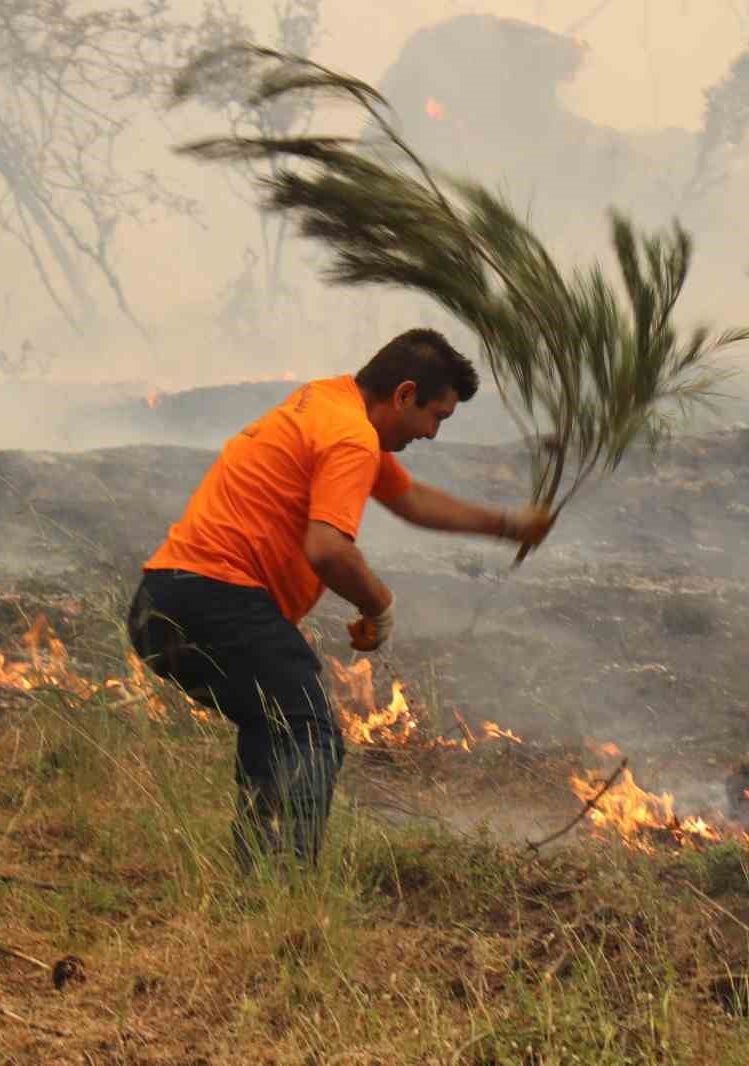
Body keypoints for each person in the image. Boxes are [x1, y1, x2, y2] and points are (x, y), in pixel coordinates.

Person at [126, 329, 552, 868]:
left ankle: (260, 874)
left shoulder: (326, 401)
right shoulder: (351, 436)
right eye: (435, 416)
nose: (432, 433)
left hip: (160, 602)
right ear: (403, 394)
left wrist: (507, 525)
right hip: (216, 598)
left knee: (277, 719)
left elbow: (411, 499)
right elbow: (327, 549)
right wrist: (379, 605)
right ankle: (281, 885)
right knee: (307, 729)